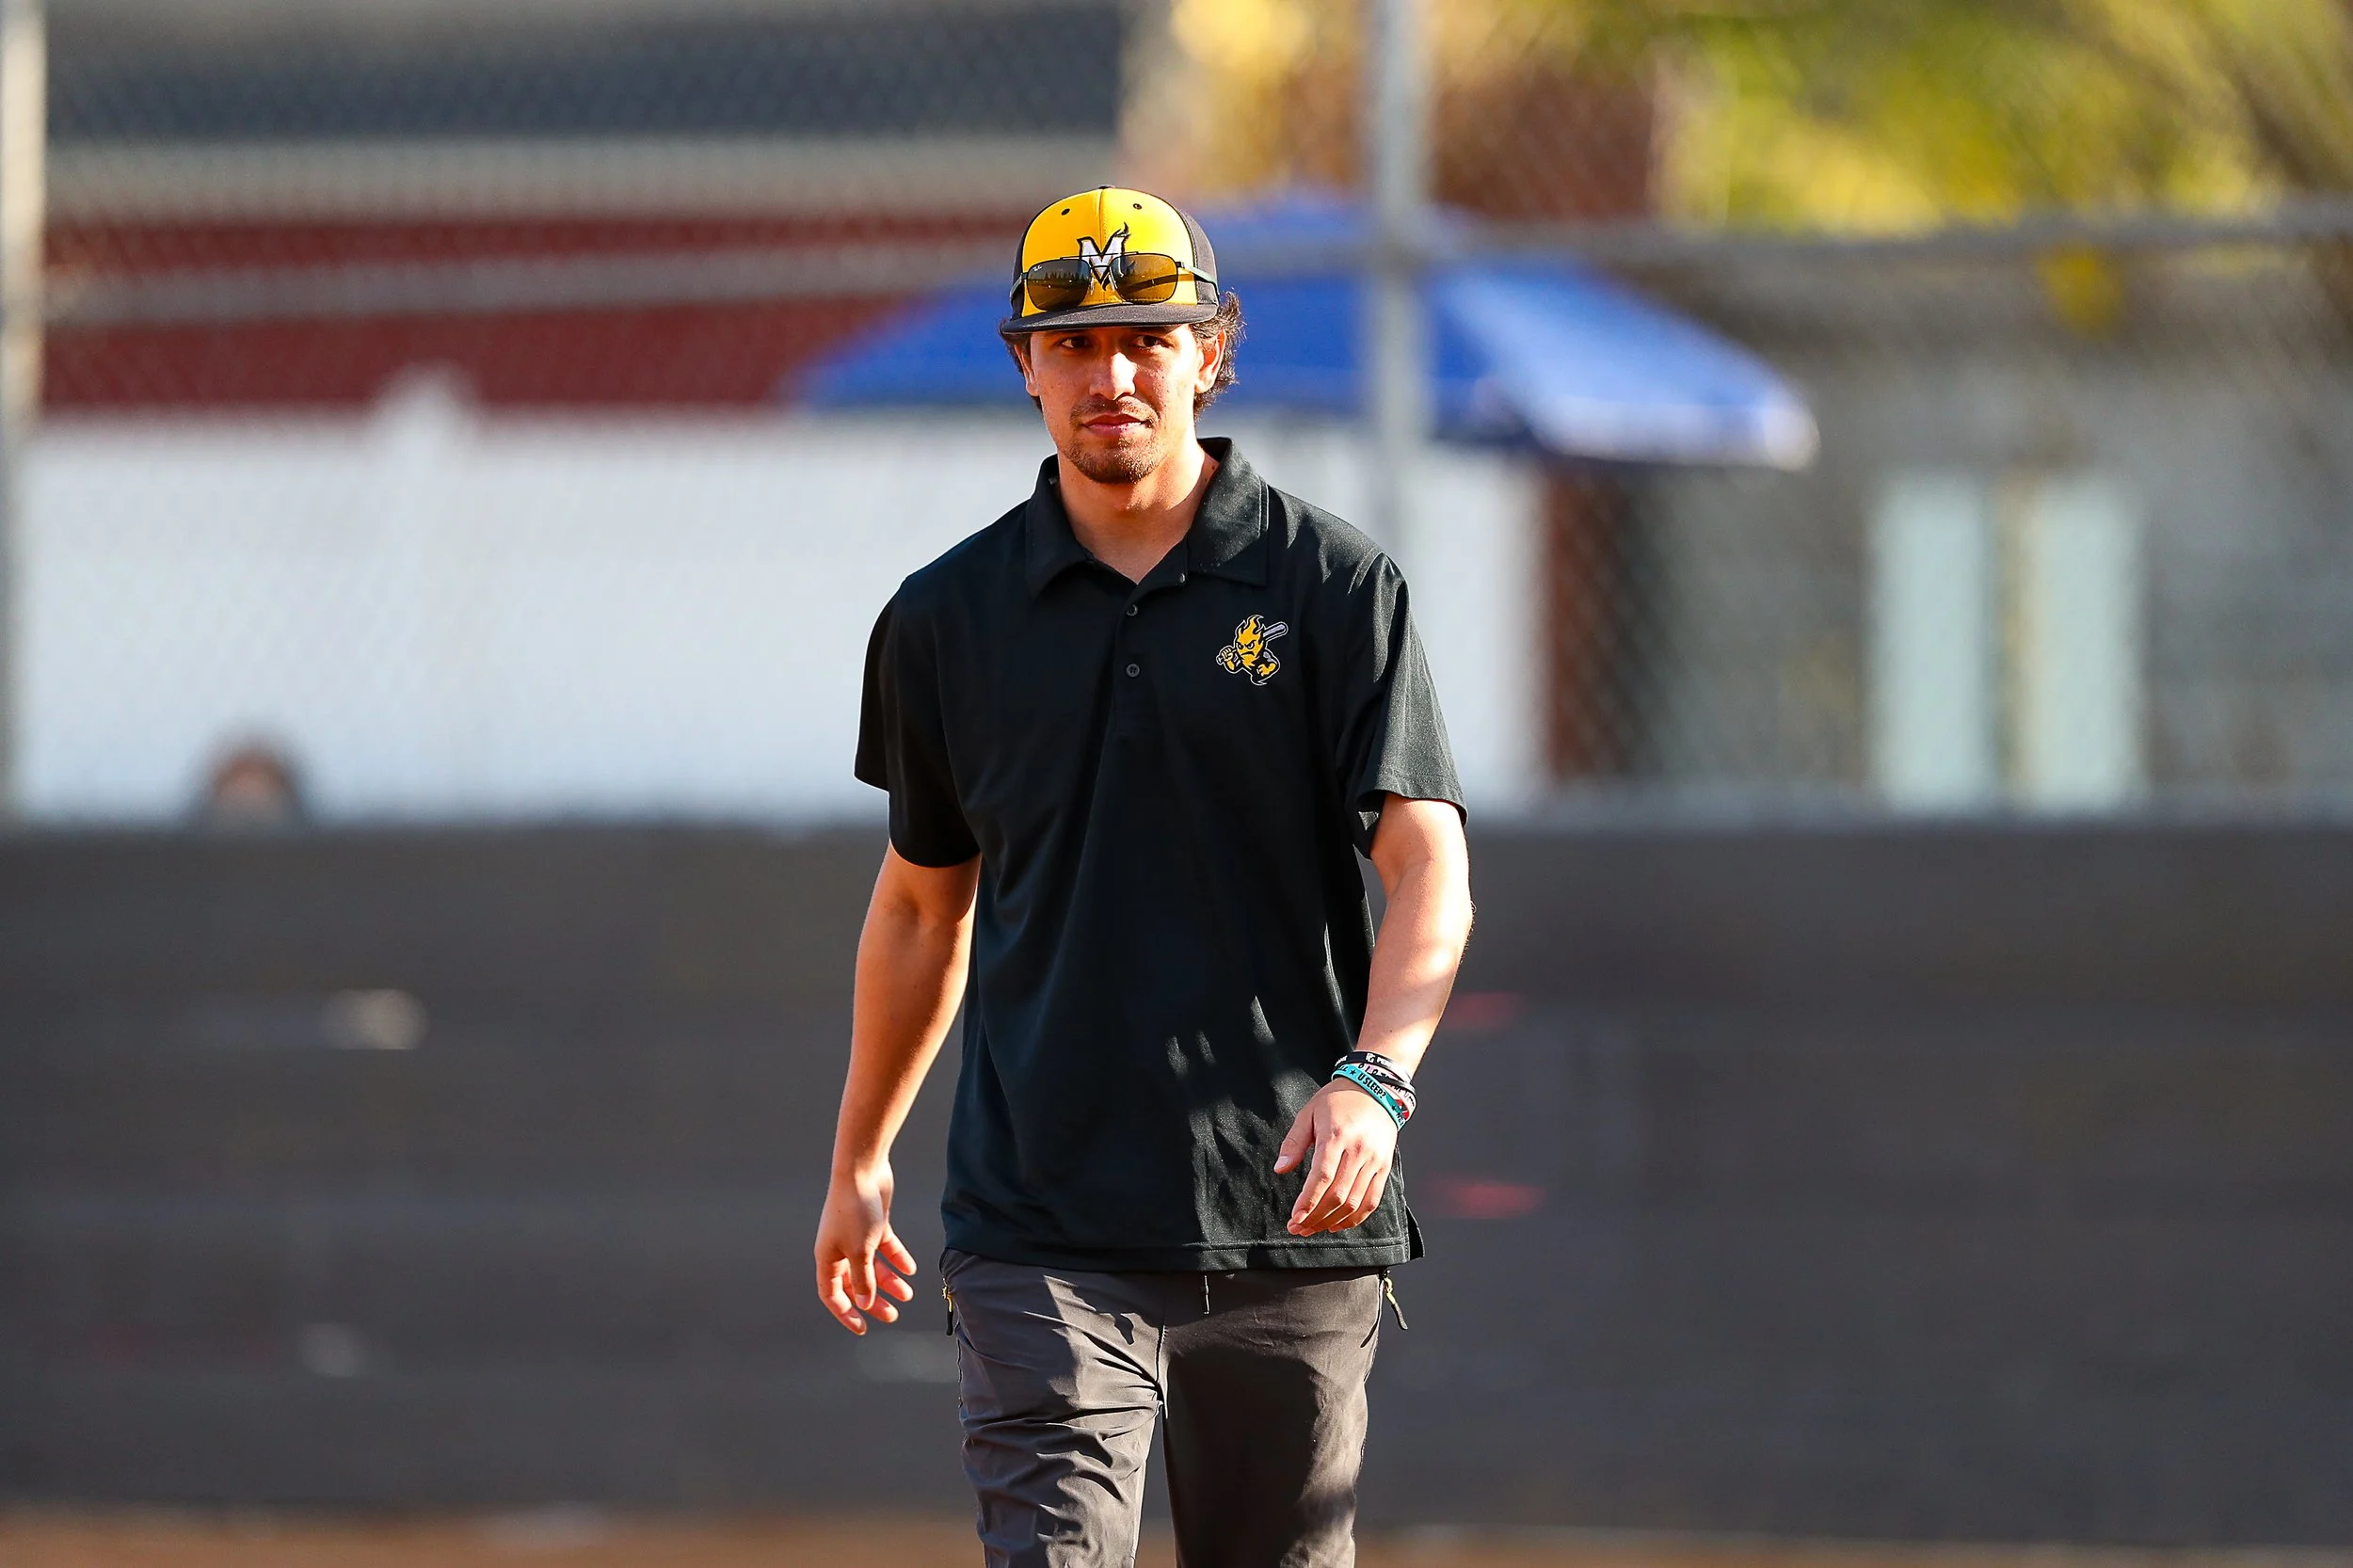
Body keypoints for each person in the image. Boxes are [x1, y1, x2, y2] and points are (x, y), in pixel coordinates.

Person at [814, 185, 1473, 1568]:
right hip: (1040, 1220)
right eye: (1073, 344)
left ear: (1210, 351)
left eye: (1146, 339)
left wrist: (1378, 1079)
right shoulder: (947, 620)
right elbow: (924, 904)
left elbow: (1431, 869)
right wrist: (861, 1158)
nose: (1111, 375)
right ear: (1025, 365)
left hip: (1293, 1216)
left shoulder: (1336, 588)